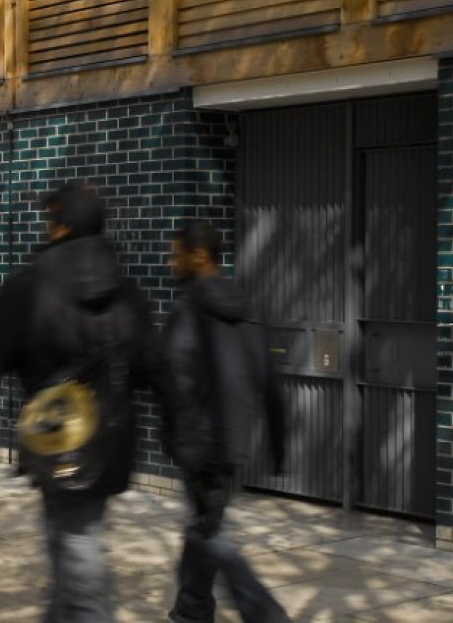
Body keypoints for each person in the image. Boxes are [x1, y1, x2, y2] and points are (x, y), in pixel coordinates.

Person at [0, 182, 197, 623]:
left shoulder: (30, 285)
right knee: (69, 549)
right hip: (109, 444)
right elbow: (157, 368)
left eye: (50, 218)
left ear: (62, 225)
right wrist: (177, 430)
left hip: (54, 443)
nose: (46, 227)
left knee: (80, 561)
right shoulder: (127, 292)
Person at [165, 220, 289, 623]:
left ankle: (264, 613)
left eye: (176, 253)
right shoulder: (246, 308)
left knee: (210, 533)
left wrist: (178, 442)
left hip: (200, 442)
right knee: (205, 525)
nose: (171, 262)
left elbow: (175, 378)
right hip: (234, 440)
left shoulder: (190, 308)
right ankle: (192, 608)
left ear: (199, 255)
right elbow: (269, 379)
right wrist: (278, 442)